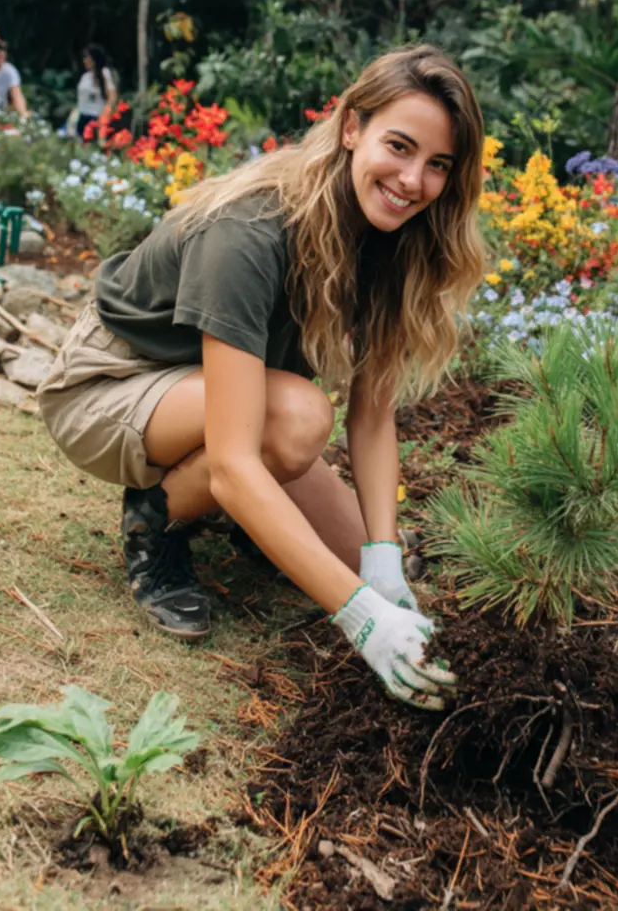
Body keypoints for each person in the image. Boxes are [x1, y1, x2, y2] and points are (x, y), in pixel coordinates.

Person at [38, 45, 486, 710]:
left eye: (438, 165)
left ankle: (254, 521)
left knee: (359, 558)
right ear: (351, 128)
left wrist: (383, 564)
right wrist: (363, 620)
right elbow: (235, 461)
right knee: (299, 421)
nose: (413, 180)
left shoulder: (392, 240)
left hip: (224, 392)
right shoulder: (252, 229)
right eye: (399, 146)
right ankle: (155, 523)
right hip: (108, 383)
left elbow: (371, 417)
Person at [75, 43, 117, 140]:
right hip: (82, 117)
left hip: (96, 118)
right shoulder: (85, 77)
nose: (85, 61)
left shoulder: (104, 73)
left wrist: (105, 117)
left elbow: (112, 97)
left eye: (87, 58)